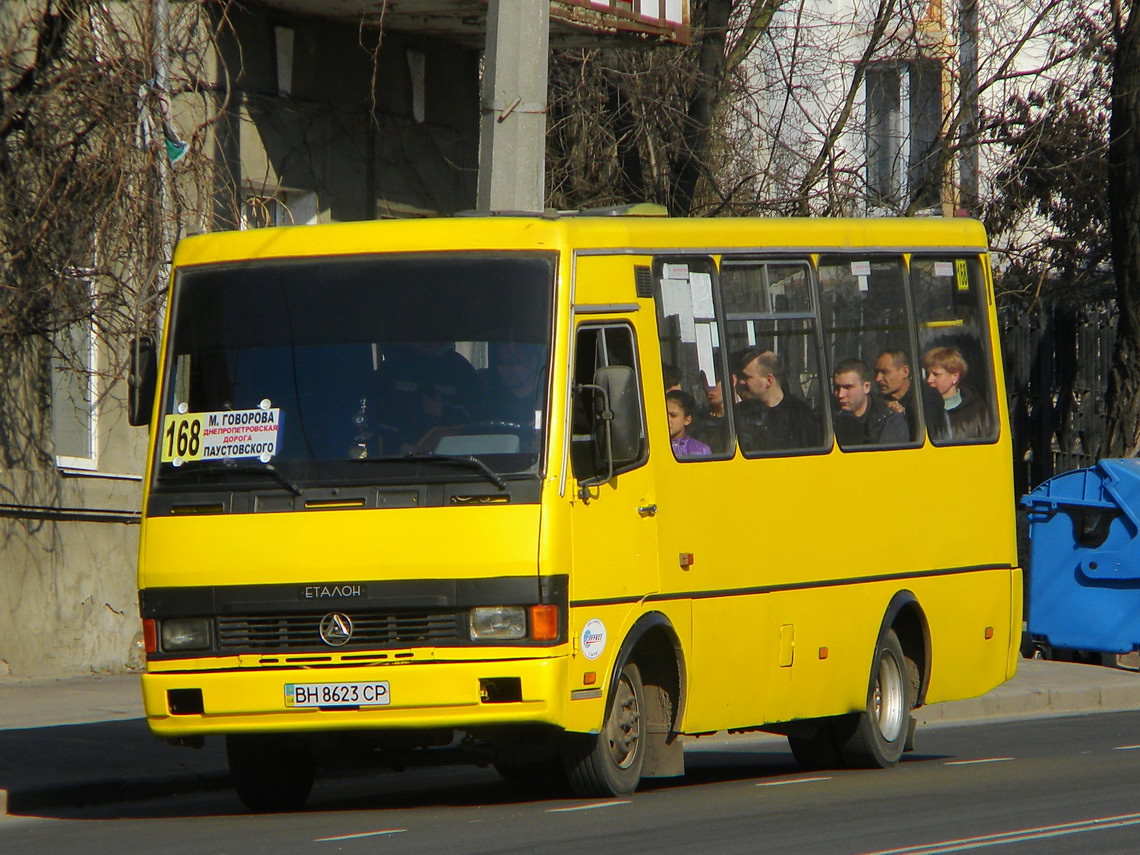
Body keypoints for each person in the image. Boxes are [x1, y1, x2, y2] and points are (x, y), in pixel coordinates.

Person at [733, 349, 820, 451]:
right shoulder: (739, 413)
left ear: (769, 380)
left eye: (747, 377)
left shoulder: (799, 414)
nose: (741, 382)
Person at [874, 349, 950, 441]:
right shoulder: (877, 402)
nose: (878, 378)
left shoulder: (925, 397)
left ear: (905, 372)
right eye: (876, 372)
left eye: (884, 372)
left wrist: (901, 416)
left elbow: (930, 434)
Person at [833, 358, 908, 447]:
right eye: (837, 388)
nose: (841, 395)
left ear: (866, 387)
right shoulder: (826, 418)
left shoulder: (888, 421)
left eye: (848, 387)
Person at [922, 346, 992, 439]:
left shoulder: (978, 410)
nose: (929, 380)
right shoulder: (922, 409)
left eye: (936, 374)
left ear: (954, 376)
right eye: (927, 374)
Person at [666, 390, 712, 458]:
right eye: (664, 414)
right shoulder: (651, 447)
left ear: (687, 420)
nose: (667, 419)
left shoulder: (701, 451)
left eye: (673, 415)